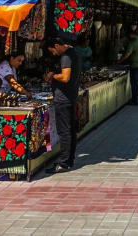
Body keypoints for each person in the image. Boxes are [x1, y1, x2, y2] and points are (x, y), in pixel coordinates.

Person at [44, 35, 82, 173]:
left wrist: (52, 76)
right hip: (70, 97)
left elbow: (65, 77)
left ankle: (64, 163)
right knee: (70, 130)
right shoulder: (75, 53)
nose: (54, 54)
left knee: (64, 131)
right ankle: (69, 159)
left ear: (57, 45)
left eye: (53, 51)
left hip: (63, 99)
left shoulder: (66, 57)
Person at [119, 28, 138, 106]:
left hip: (136, 66)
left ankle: (135, 101)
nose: (128, 37)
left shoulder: (132, 42)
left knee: (134, 84)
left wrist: (120, 61)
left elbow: (127, 54)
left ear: (132, 34)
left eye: (129, 35)